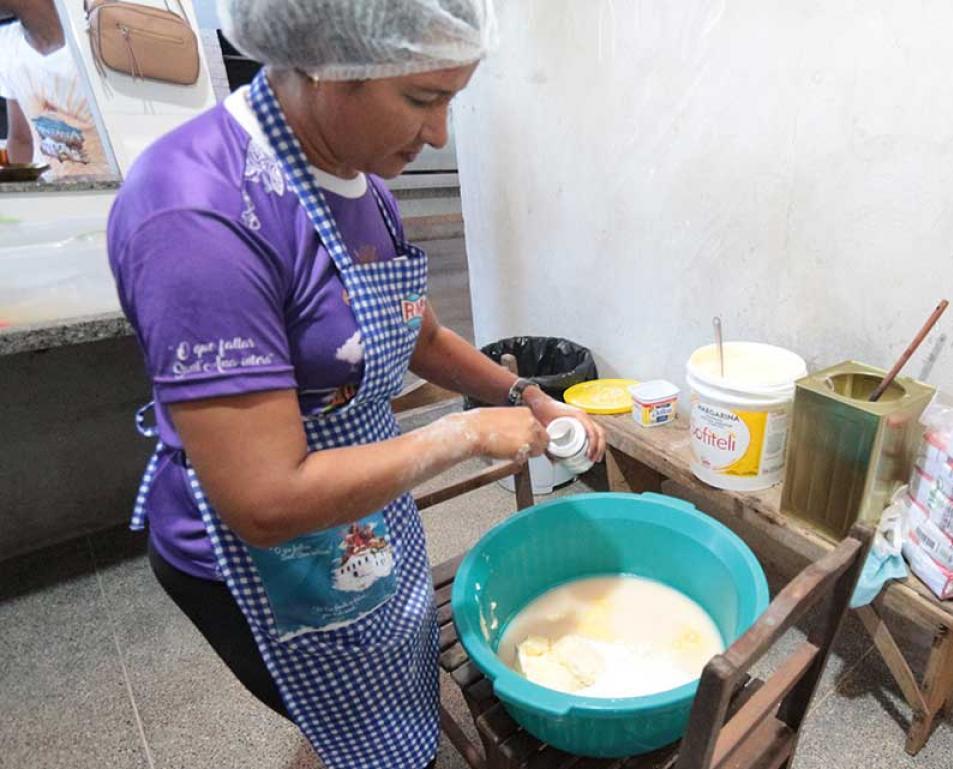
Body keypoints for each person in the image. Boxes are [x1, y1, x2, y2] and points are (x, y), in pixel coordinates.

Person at [105, 1, 605, 767]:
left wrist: (523, 393)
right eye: (422, 98)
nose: (439, 134)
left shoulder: (358, 179)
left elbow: (420, 335)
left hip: (361, 510)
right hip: (267, 563)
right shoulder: (196, 216)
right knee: (358, 728)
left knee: (393, 694)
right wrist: (464, 431)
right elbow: (266, 499)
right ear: (323, 62)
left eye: (451, 100)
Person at [0, 1, 115, 178]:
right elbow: (21, 139)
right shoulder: (8, 45)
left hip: (119, 190)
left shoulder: (100, 42)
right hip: (52, 193)